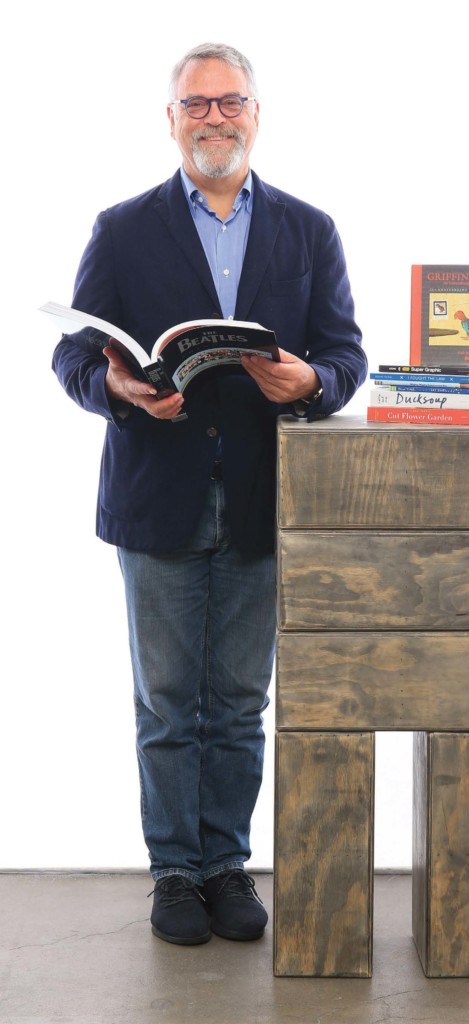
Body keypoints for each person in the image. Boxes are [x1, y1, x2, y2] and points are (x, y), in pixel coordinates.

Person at [52, 41, 367, 947]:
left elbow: (345, 356)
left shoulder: (308, 230)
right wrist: (118, 386)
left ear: (255, 115)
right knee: (164, 703)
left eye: (230, 102)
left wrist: (310, 382)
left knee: (235, 701)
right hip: (157, 496)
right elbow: (73, 355)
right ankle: (175, 873)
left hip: (265, 500)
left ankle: (226, 864)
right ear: (171, 120)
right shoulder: (122, 229)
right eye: (196, 104)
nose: (214, 118)